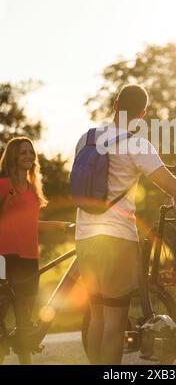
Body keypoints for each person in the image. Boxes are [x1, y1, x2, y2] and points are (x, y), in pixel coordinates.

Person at [75, 84, 176, 365]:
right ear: (142, 114)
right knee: (115, 322)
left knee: (97, 316)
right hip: (116, 240)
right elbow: (174, 187)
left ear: (116, 104)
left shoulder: (86, 138)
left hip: (85, 237)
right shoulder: (136, 144)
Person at [0, 137, 69, 364]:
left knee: (25, 320)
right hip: (5, 257)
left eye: (31, 152)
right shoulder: (3, 185)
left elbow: (29, 223)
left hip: (29, 257)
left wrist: (57, 226)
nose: (29, 156)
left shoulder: (32, 189)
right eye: (23, 153)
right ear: (13, 157)